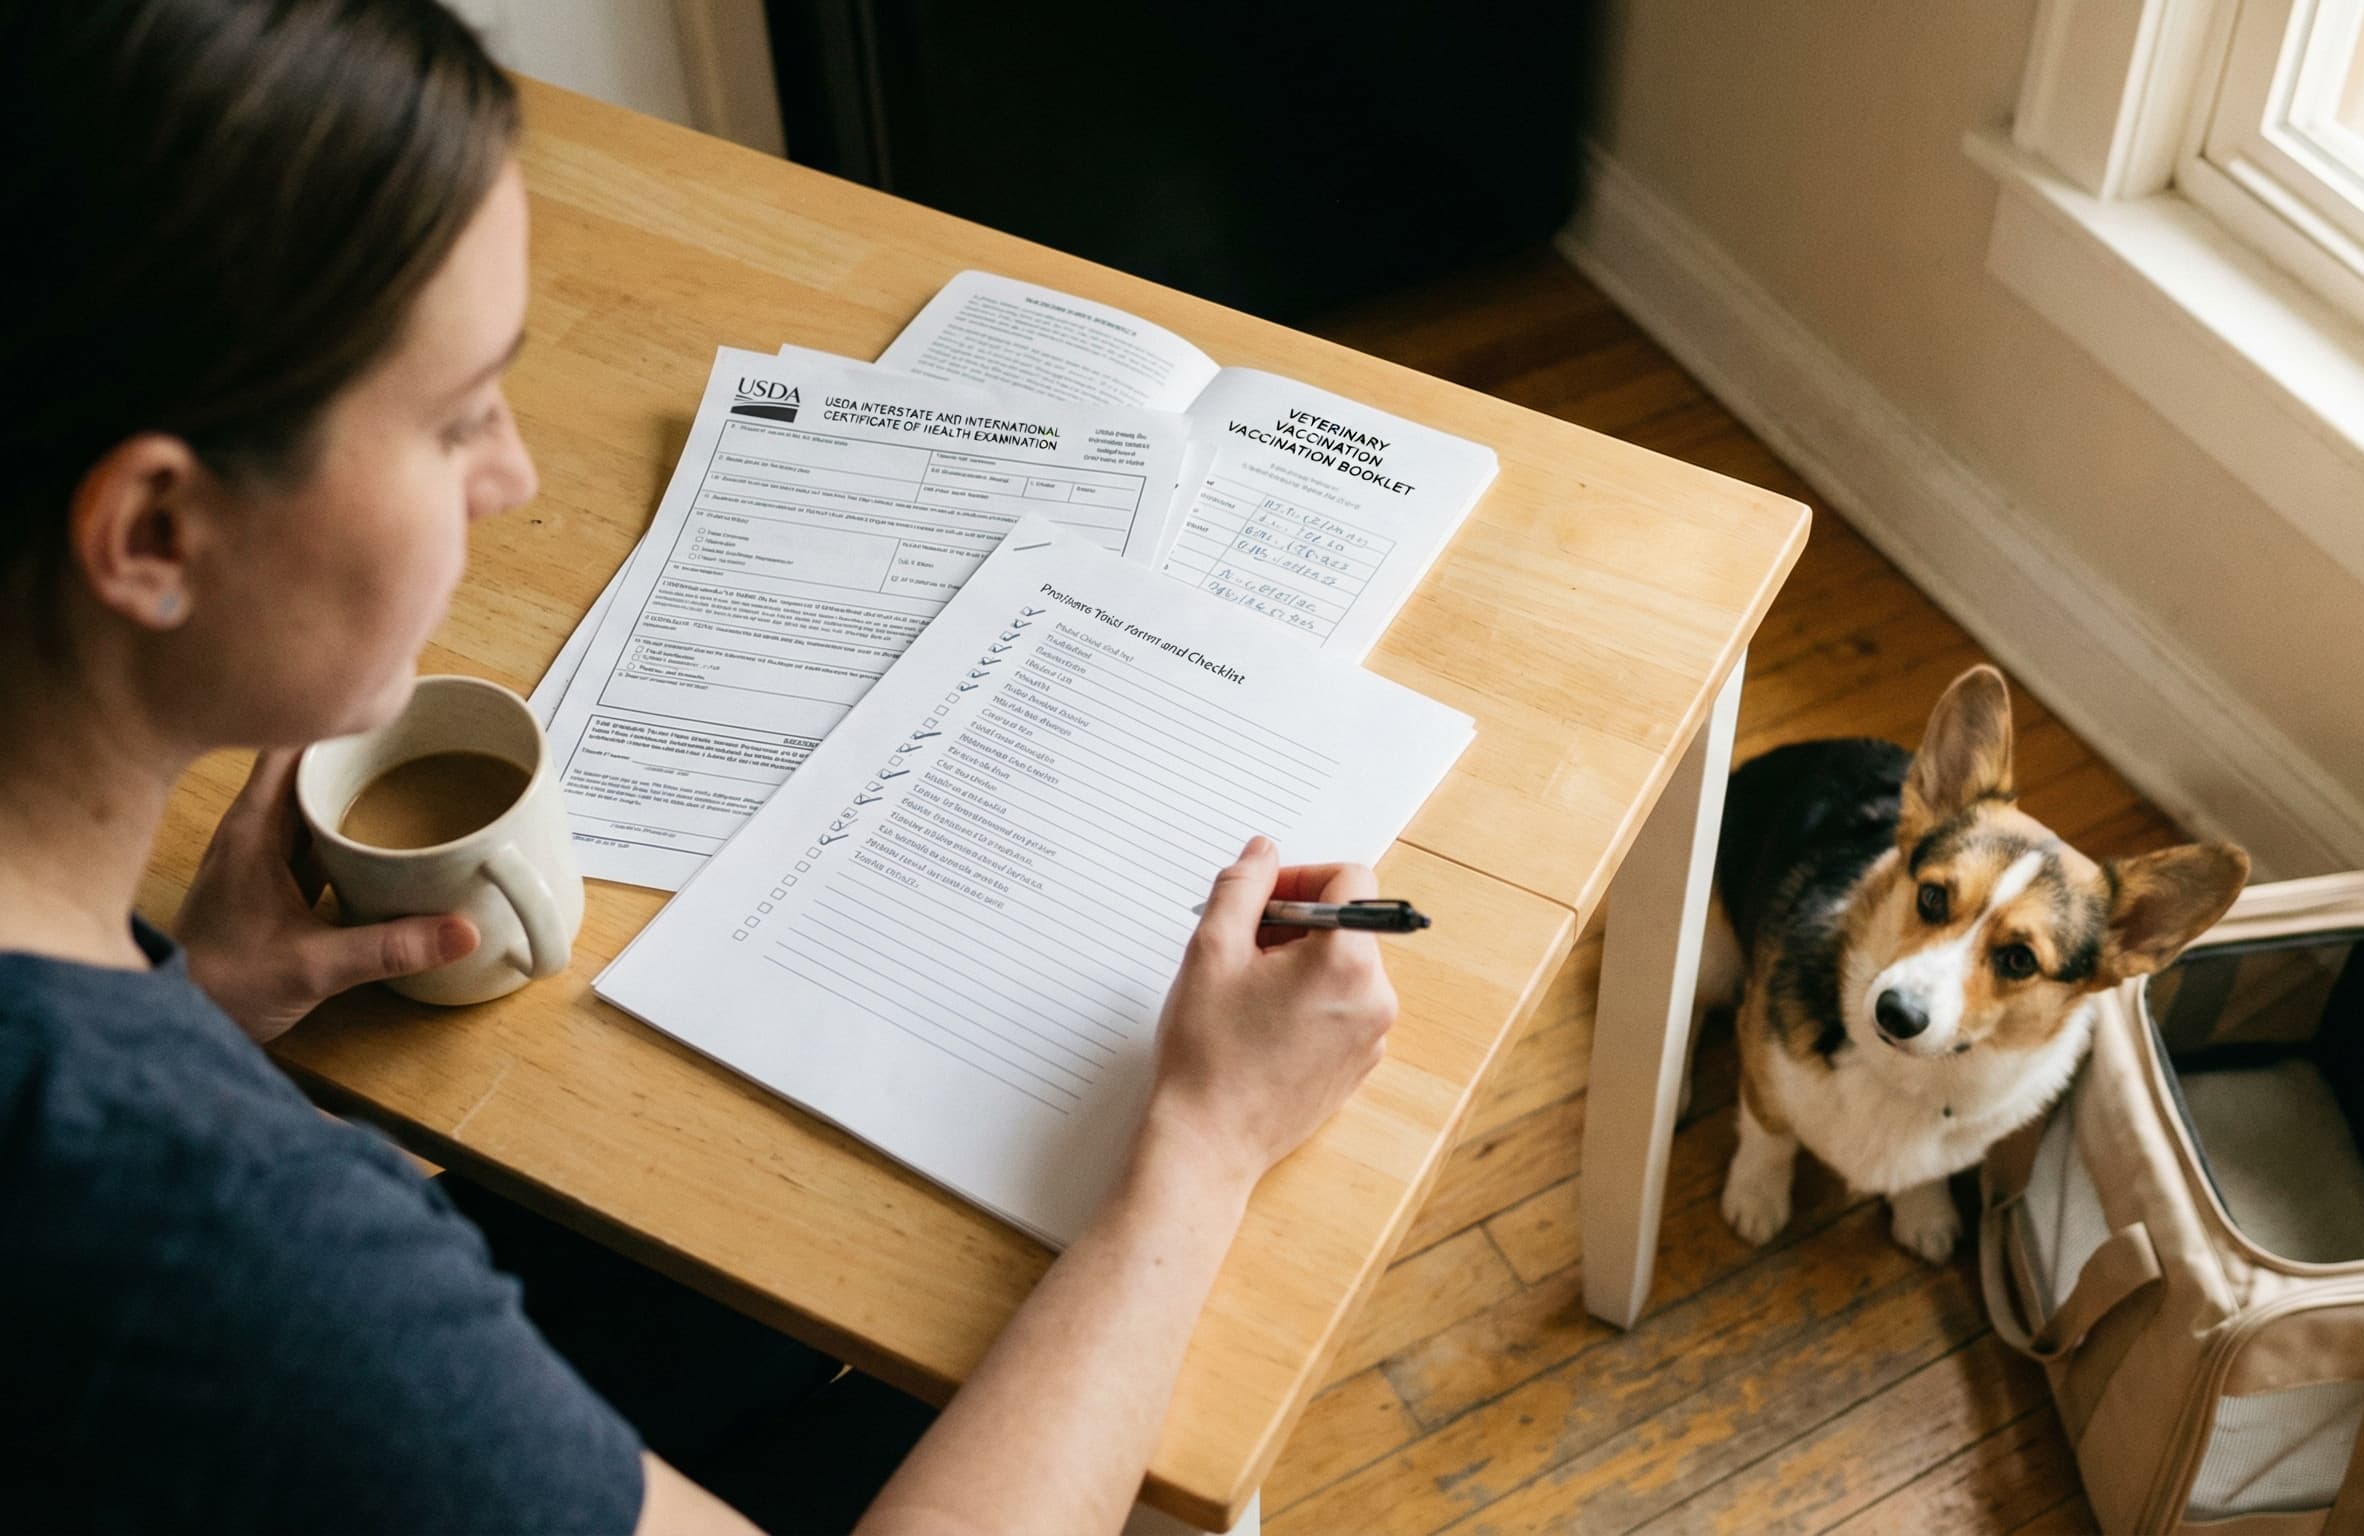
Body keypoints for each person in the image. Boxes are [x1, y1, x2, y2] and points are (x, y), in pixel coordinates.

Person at [0, 3, 1397, 1531]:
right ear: (150, 535)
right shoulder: (234, 1252)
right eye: (457, 416)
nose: (515, 474)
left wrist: (191, 1004)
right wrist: (1203, 1149)